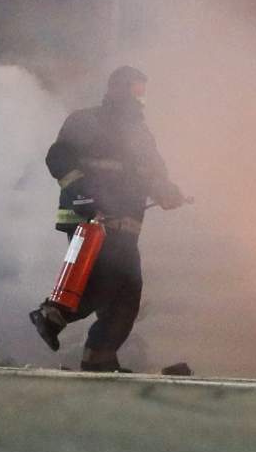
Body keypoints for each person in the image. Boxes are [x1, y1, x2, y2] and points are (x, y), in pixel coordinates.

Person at [28, 65, 188, 371]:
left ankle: (99, 358)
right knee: (106, 282)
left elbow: (154, 174)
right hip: (90, 220)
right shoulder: (86, 121)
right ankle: (52, 314)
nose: (139, 97)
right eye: (134, 89)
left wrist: (168, 192)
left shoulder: (141, 134)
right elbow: (58, 158)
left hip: (126, 224)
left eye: (142, 91)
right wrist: (84, 196)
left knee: (128, 295)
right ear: (115, 89)